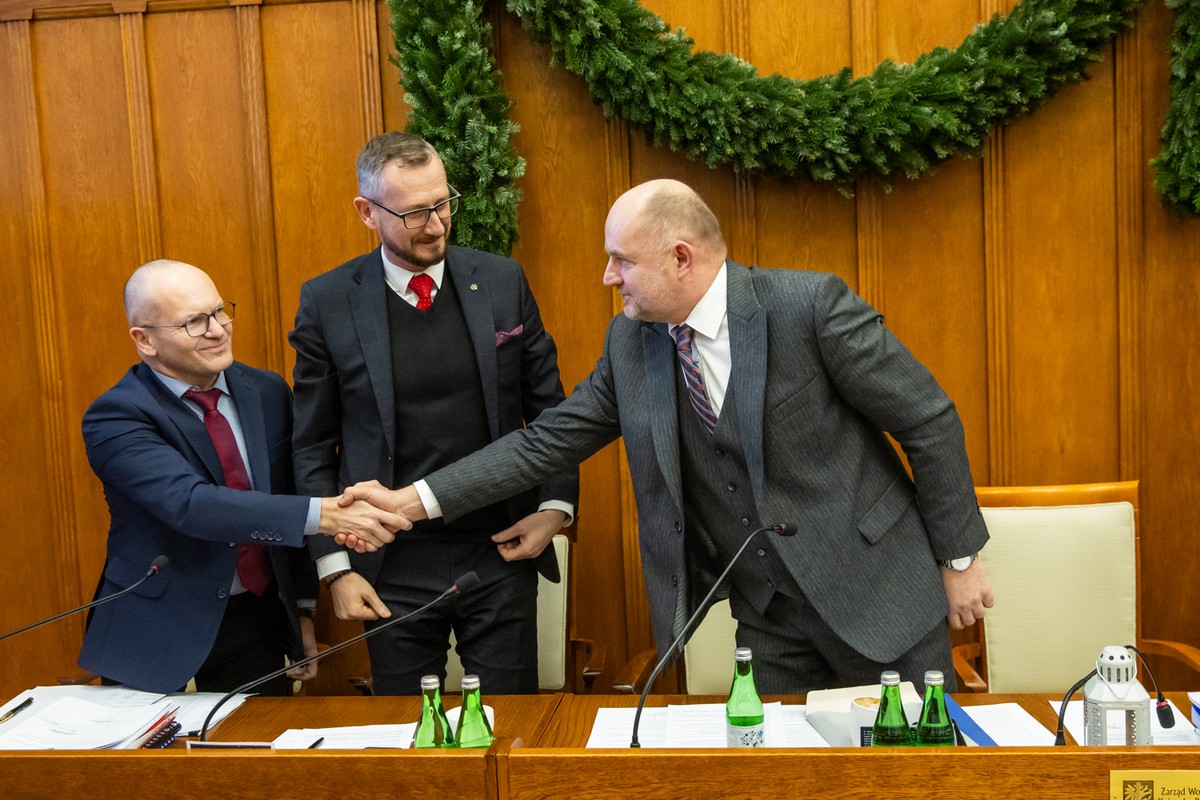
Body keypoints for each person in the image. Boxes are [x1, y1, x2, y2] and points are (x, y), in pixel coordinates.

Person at [340, 179, 995, 694]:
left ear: (681, 257)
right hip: (770, 620)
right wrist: (411, 500)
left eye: (621, 260)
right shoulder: (632, 342)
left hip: (879, 596)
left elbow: (928, 419)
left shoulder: (808, 307)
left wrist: (959, 560)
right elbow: (545, 442)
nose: (608, 276)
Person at [289, 132, 578, 695]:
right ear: (367, 212)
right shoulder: (327, 302)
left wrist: (555, 508)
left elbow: (552, 412)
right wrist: (334, 570)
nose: (437, 223)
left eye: (443, 203)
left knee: (507, 730)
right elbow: (312, 445)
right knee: (406, 738)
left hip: (501, 547)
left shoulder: (500, 280)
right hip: (387, 563)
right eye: (415, 212)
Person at [79, 259, 404, 695]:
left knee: (248, 755)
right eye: (194, 322)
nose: (217, 329)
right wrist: (325, 514)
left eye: (218, 311)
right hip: (156, 626)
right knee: (153, 764)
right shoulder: (117, 415)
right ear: (145, 340)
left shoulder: (267, 392)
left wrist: (302, 611)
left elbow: (288, 491)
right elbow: (192, 504)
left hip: (256, 620)